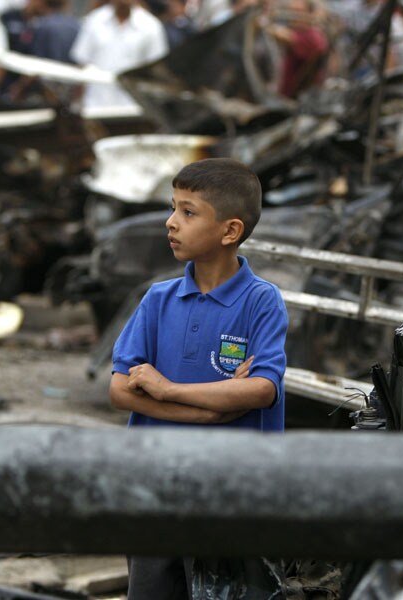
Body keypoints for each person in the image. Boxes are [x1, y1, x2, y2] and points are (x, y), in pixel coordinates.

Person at [110, 157, 288, 600]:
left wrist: (167, 389)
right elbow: (118, 389)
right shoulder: (158, 298)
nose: (171, 222)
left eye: (188, 212)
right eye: (173, 208)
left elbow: (261, 389)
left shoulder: (261, 301)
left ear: (230, 231)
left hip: (232, 495)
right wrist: (208, 412)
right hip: (154, 488)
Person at [69, 0, 168, 109]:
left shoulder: (151, 26)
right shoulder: (94, 21)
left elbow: (158, 72)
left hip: (134, 109)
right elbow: (82, 64)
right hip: (96, 104)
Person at [269, 0, 329, 98]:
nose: (292, 16)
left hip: (297, 100)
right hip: (286, 94)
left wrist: (266, 24)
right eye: (291, 10)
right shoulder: (299, 31)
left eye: (298, 11)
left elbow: (284, 36)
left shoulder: (313, 36)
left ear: (309, 14)